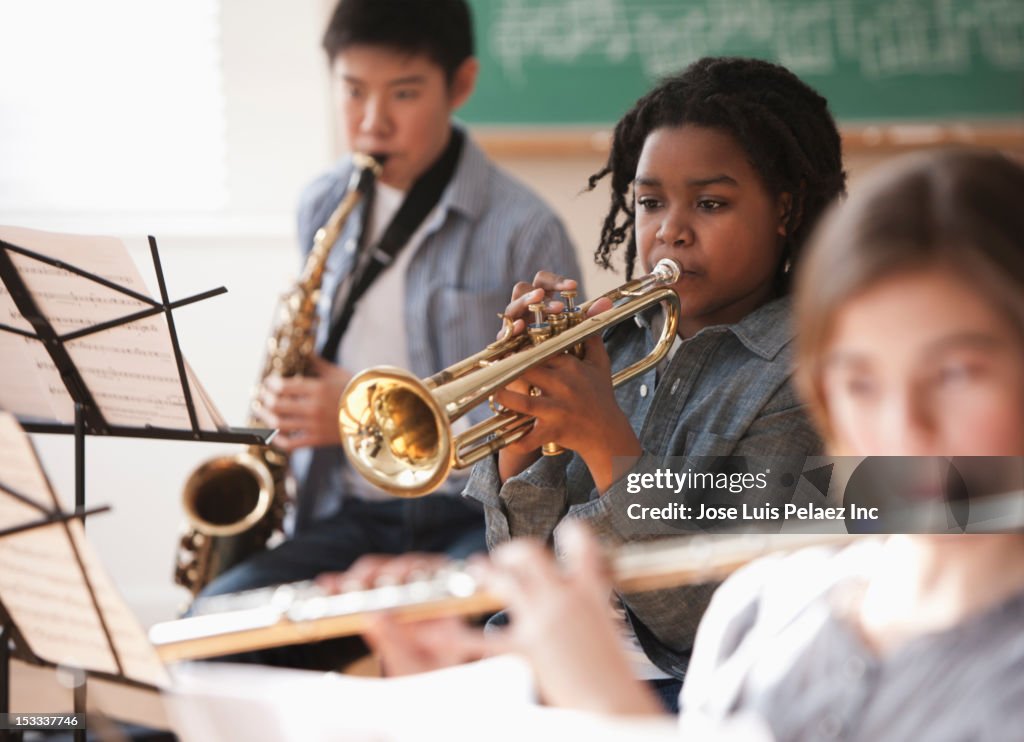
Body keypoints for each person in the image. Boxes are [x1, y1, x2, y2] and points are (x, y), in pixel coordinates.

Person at [367, 149, 1024, 741]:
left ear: (782, 213)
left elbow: (707, 573)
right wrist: (526, 441)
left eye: (956, 374)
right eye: (860, 381)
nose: (903, 425)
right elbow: (538, 549)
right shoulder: (764, 610)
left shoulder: (782, 381)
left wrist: (603, 703)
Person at [331, 56, 848, 705]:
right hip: (541, 652)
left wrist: (603, 438)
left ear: (785, 210)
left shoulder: (806, 373)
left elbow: (705, 620)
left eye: (710, 203)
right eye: (650, 202)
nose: (670, 231)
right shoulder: (612, 340)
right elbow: (517, 559)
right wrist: (520, 434)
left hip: (679, 689)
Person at [195, 0, 579, 669]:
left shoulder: (526, 228)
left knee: (460, 646)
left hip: (474, 520)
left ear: (459, 85)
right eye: (352, 92)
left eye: (404, 93)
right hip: (350, 517)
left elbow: (561, 431)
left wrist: (351, 414)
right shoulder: (323, 202)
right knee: (207, 637)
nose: (373, 121)